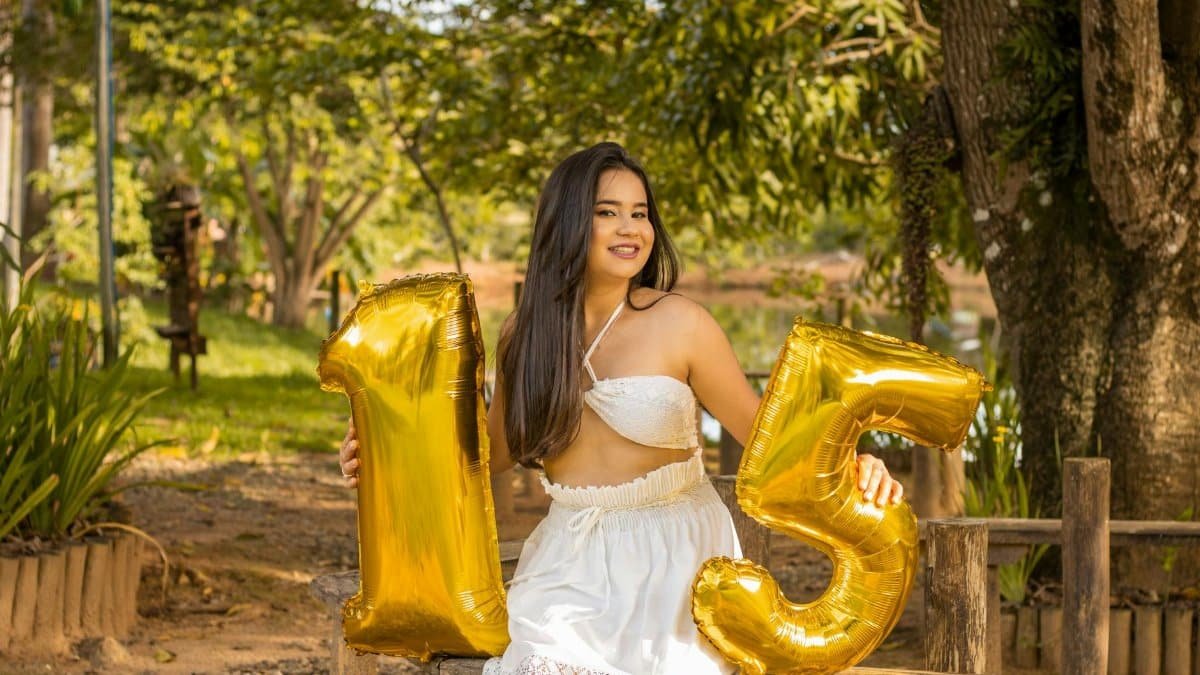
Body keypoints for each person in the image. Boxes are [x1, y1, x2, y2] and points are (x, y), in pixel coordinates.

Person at [338, 142, 903, 674]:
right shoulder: (524, 333)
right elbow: (488, 459)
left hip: (677, 556)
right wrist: (385, 460)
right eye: (608, 212)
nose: (631, 228)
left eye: (640, 213)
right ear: (568, 223)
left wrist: (853, 466)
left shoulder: (683, 323)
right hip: (571, 555)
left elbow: (769, 439)